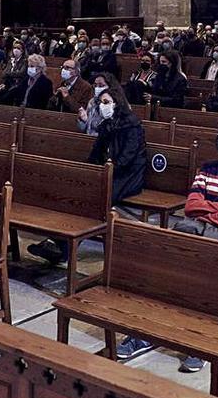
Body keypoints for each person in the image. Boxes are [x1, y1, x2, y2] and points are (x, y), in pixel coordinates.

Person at [116, 115, 218, 371]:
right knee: (163, 262)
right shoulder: (207, 168)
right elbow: (191, 207)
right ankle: (147, 332)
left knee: (207, 271)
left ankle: (199, 341)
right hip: (200, 230)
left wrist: (214, 212)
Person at [30, 86, 146, 265]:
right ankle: (57, 241)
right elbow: (96, 151)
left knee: (95, 198)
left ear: (117, 104)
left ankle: (66, 249)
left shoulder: (132, 124)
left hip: (128, 175)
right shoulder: (107, 124)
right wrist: (88, 173)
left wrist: (104, 173)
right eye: (101, 102)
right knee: (77, 190)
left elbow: (127, 158)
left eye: (106, 102)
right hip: (106, 172)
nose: (102, 106)